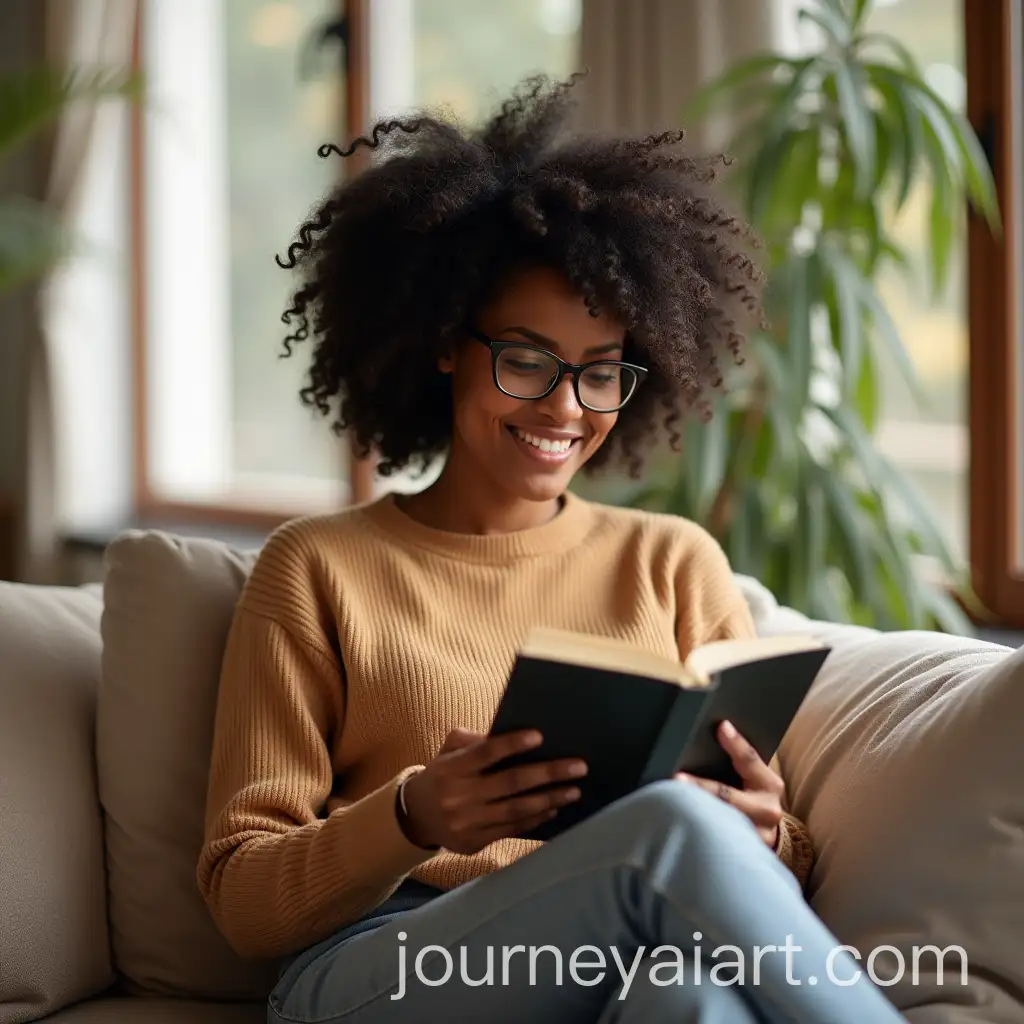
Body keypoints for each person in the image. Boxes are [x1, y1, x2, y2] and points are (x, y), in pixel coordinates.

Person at [197, 75, 904, 1023]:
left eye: (601, 372)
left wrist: (769, 832)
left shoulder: (672, 562)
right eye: (527, 360)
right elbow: (243, 898)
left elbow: (757, 855)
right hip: (381, 967)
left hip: (617, 956)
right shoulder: (317, 568)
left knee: (691, 1002)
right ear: (447, 342)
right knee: (668, 830)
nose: (566, 409)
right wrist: (413, 817)